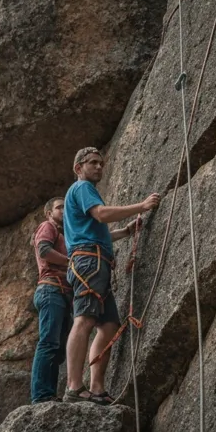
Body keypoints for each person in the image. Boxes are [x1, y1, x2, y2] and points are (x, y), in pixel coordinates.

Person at [61, 147, 160, 404]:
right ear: (78, 168)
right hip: (89, 263)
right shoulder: (82, 188)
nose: (99, 168)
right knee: (83, 319)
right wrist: (142, 206)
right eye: (93, 163)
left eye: (101, 163)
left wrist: (125, 232)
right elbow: (102, 215)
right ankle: (73, 387)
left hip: (96, 261)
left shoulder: (81, 194)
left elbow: (97, 231)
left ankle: (97, 388)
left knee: (108, 325)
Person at [30, 197, 72, 403]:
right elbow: (44, 251)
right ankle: (41, 396)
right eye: (59, 207)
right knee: (49, 342)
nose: (64, 210)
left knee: (57, 349)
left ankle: (48, 394)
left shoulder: (66, 235)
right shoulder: (48, 226)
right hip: (51, 290)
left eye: (66, 206)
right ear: (49, 213)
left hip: (62, 293)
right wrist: (72, 262)